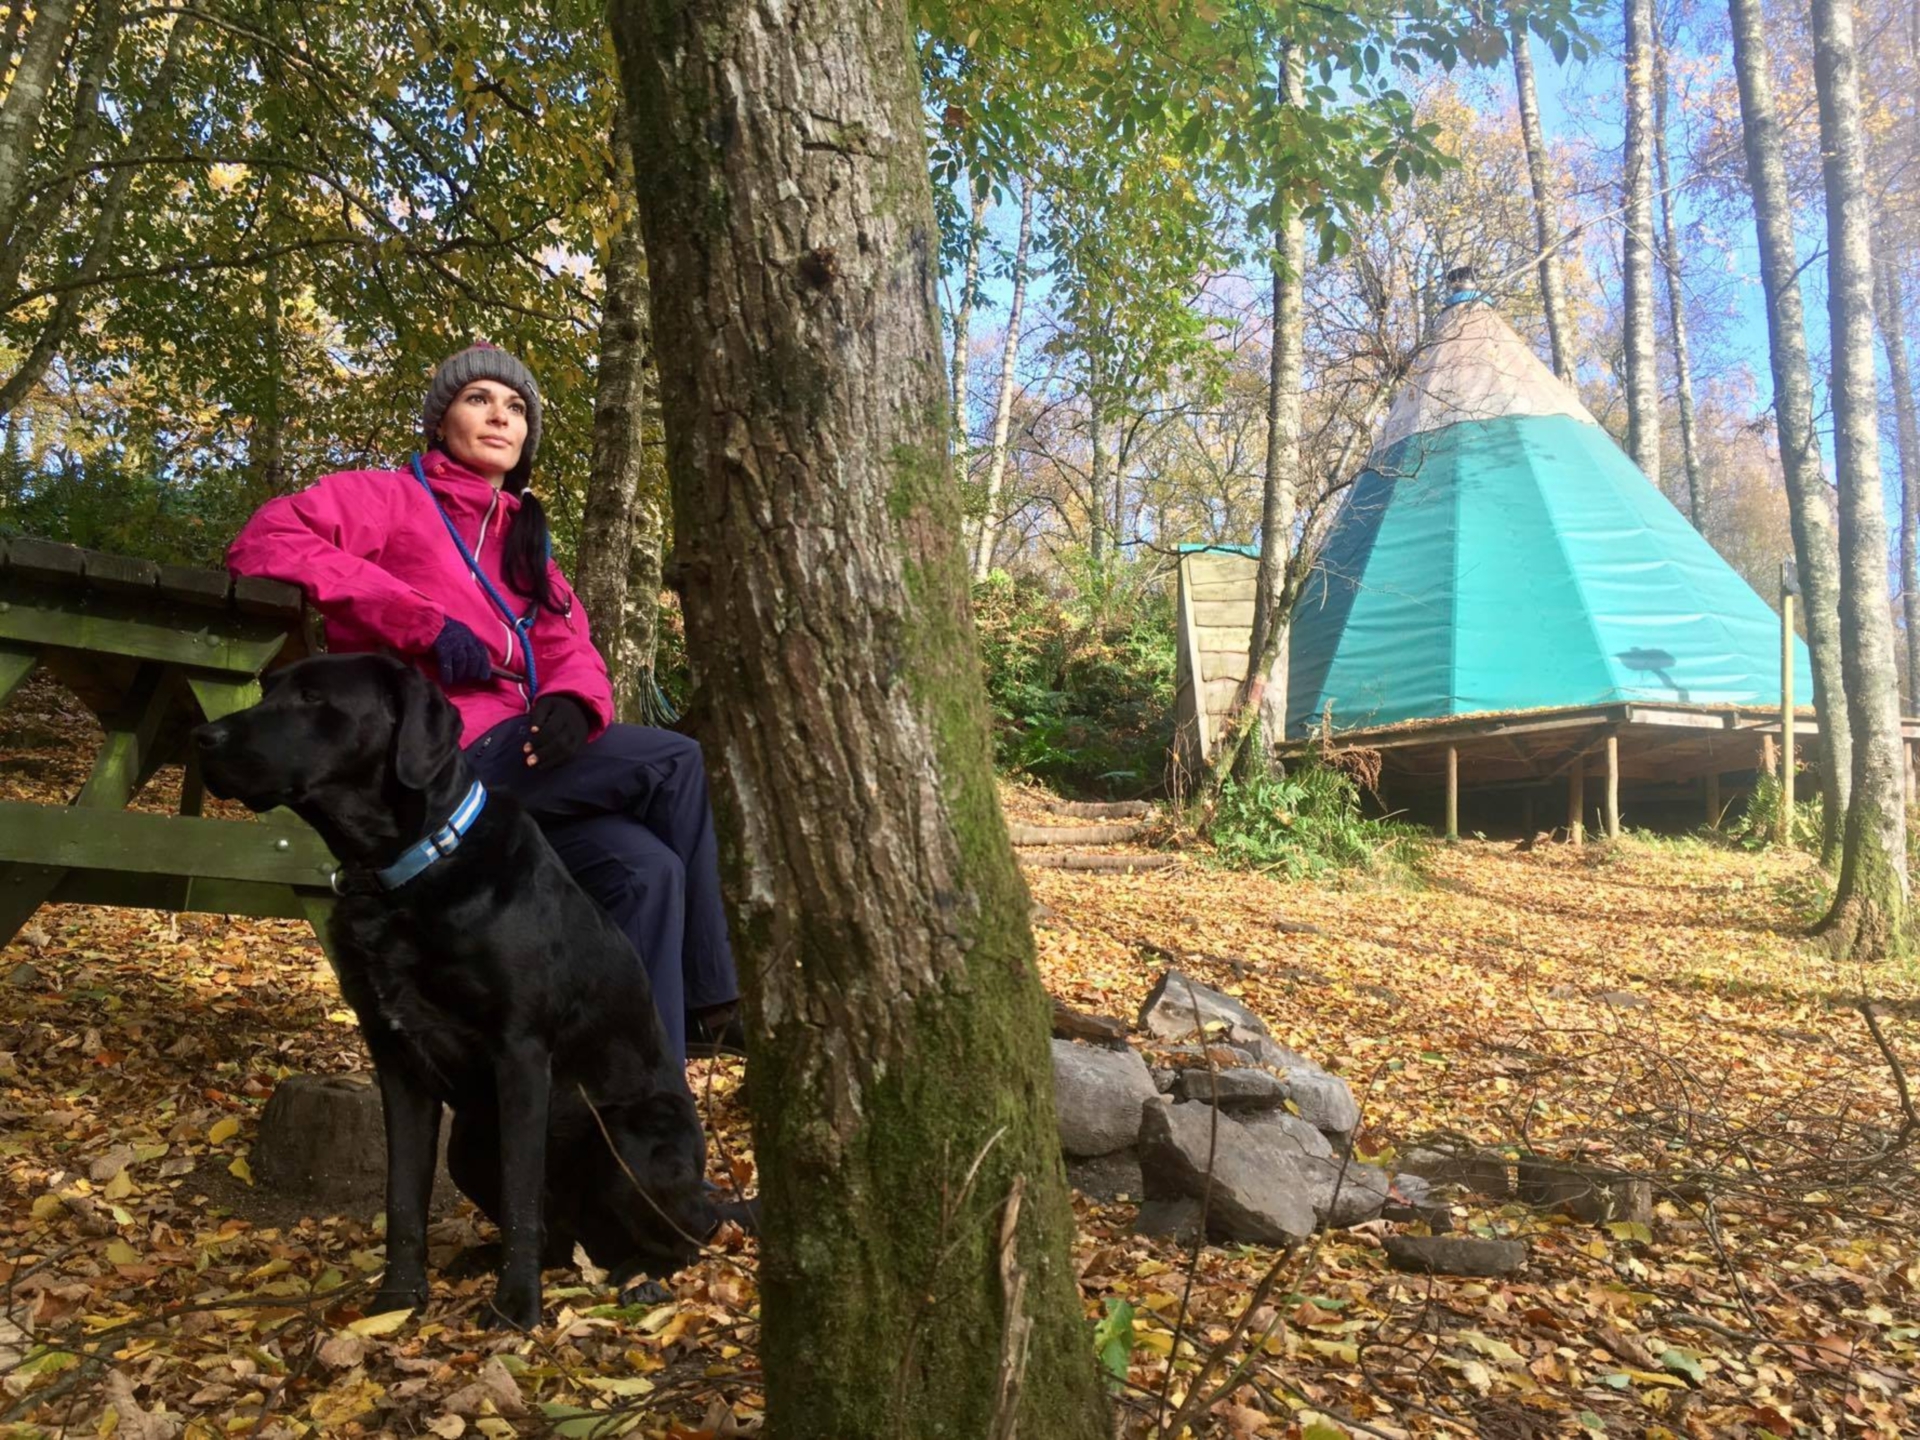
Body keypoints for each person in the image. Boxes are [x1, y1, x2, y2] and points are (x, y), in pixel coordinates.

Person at [227, 343, 741, 1068]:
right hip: (433, 760)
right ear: (441, 423)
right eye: (479, 400)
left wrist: (573, 702)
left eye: (517, 407)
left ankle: (642, 1096)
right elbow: (266, 540)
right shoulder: (391, 498)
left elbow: (571, 645)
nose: (500, 415)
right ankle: (714, 997)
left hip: (520, 756)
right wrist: (421, 622)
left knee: (647, 870)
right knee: (677, 761)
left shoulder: (526, 537)